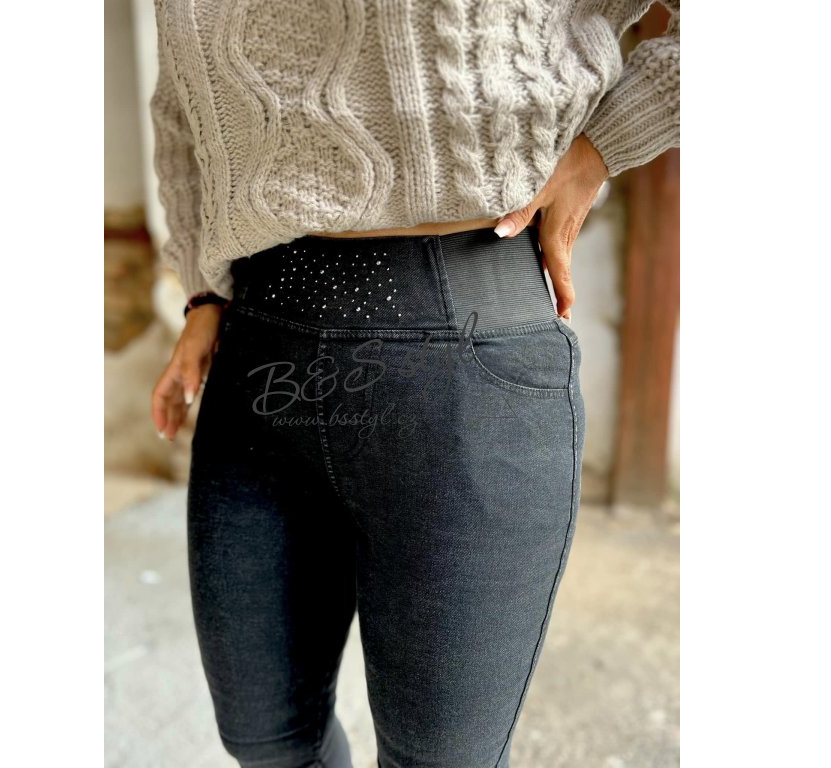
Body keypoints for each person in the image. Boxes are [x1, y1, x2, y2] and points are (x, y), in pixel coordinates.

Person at [149, 1, 678, 765]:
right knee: (267, 744)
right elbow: (180, 101)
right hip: (257, 354)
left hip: (466, 358)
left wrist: (600, 147)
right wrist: (204, 293)